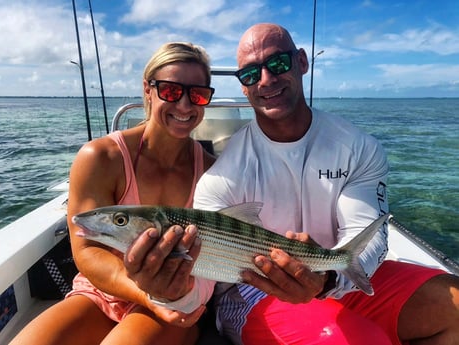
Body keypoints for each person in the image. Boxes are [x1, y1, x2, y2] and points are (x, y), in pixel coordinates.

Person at [126, 23, 459, 345]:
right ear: (244, 86)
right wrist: (172, 292)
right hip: (251, 291)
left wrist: (328, 280)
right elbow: (205, 276)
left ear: (301, 61)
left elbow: (365, 233)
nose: (266, 80)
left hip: (334, 276)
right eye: (251, 74)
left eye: (278, 63)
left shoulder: (358, 147)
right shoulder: (220, 178)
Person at [10, 42, 216, 345]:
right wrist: (144, 292)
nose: (185, 105)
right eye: (171, 91)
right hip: (101, 291)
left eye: (196, 94)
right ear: (148, 89)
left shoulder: (213, 173)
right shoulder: (100, 157)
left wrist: (167, 295)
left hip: (175, 298)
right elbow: (87, 249)